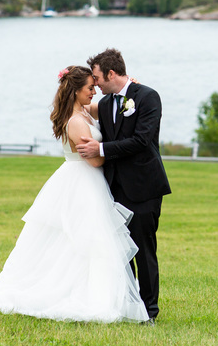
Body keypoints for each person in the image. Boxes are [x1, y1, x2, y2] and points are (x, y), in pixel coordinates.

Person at [0, 65, 148, 323]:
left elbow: (109, 108)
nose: (94, 92)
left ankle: (98, 290)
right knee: (85, 239)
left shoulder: (83, 111)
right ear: (76, 91)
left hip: (88, 181)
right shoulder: (77, 121)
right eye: (89, 88)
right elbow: (93, 161)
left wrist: (127, 90)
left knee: (88, 240)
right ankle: (82, 293)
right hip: (83, 181)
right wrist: (111, 153)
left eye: (94, 86)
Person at [77, 48, 171, 326]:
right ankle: (127, 306)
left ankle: (149, 312)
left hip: (144, 188)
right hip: (114, 189)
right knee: (119, 252)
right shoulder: (105, 104)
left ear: (111, 73)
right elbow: (77, 106)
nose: (94, 84)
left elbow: (143, 140)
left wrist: (101, 147)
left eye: (96, 78)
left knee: (143, 251)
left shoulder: (148, 97)